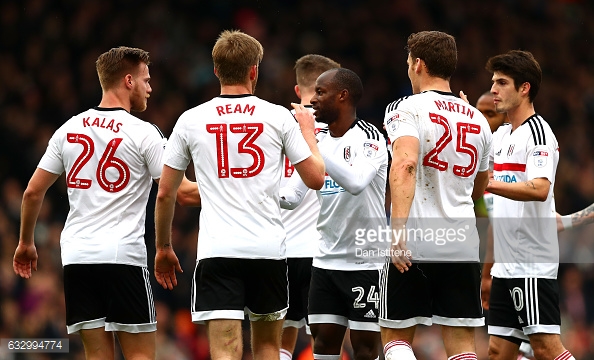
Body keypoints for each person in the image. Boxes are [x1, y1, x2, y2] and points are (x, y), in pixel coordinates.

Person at [12, 46, 199, 360]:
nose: (151, 88)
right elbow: (179, 192)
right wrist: (234, 188)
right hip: (122, 257)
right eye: (146, 80)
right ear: (128, 81)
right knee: (140, 355)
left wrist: (26, 242)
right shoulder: (144, 133)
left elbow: (32, 192)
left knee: (97, 356)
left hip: (76, 257)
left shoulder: (68, 129)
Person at [153, 30, 325, 360]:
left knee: (225, 353)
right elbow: (315, 178)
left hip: (218, 251)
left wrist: (163, 247)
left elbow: (166, 194)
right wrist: (308, 134)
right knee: (266, 349)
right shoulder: (278, 117)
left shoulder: (191, 120)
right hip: (268, 251)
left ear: (216, 70)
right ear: (254, 70)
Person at [380, 31, 491, 360]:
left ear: (418, 64)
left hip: (417, 239)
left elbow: (405, 163)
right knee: (462, 347)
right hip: (462, 242)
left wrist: (397, 231)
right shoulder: (477, 118)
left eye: (408, 62)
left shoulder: (406, 108)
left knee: (395, 338)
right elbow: (479, 188)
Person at [280, 67, 388, 360]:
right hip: (325, 262)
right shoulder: (318, 139)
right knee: (324, 346)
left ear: (343, 96)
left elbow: (355, 182)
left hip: (366, 262)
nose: (313, 99)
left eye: (320, 92)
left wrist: (311, 142)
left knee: (365, 348)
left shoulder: (371, 137)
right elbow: (291, 196)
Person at [484, 50, 575, 360]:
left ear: (524, 88)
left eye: (502, 83)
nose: (493, 89)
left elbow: (539, 188)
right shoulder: (502, 134)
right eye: (493, 82)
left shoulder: (538, 133)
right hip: (506, 264)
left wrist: (491, 184)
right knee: (497, 351)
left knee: (546, 349)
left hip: (531, 262)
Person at [280, 54, 341, 360]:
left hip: (281, 250)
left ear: (297, 89)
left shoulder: (274, 126)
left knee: (277, 341)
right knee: (328, 343)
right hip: (325, 252)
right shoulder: (342, 128)